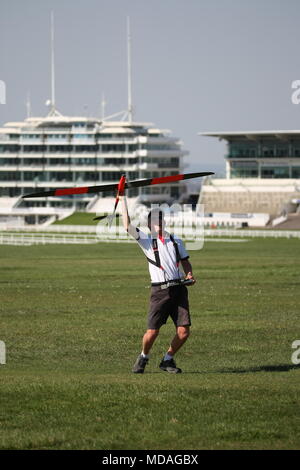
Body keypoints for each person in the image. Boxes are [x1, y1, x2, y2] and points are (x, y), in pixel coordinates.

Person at [121, 196, 196, 374]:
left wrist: (190, 274)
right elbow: (126, 226)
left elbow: (185, 261)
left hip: (179, 289)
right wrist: (121, 197)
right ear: (149, 225)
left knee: (184, 332)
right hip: (159, 292)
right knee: (152, 332)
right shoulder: (146, 240)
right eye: (155, 221)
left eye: (161, 220)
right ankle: (143, 357)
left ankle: (167, 360)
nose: (159, 224)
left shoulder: (176, 240)